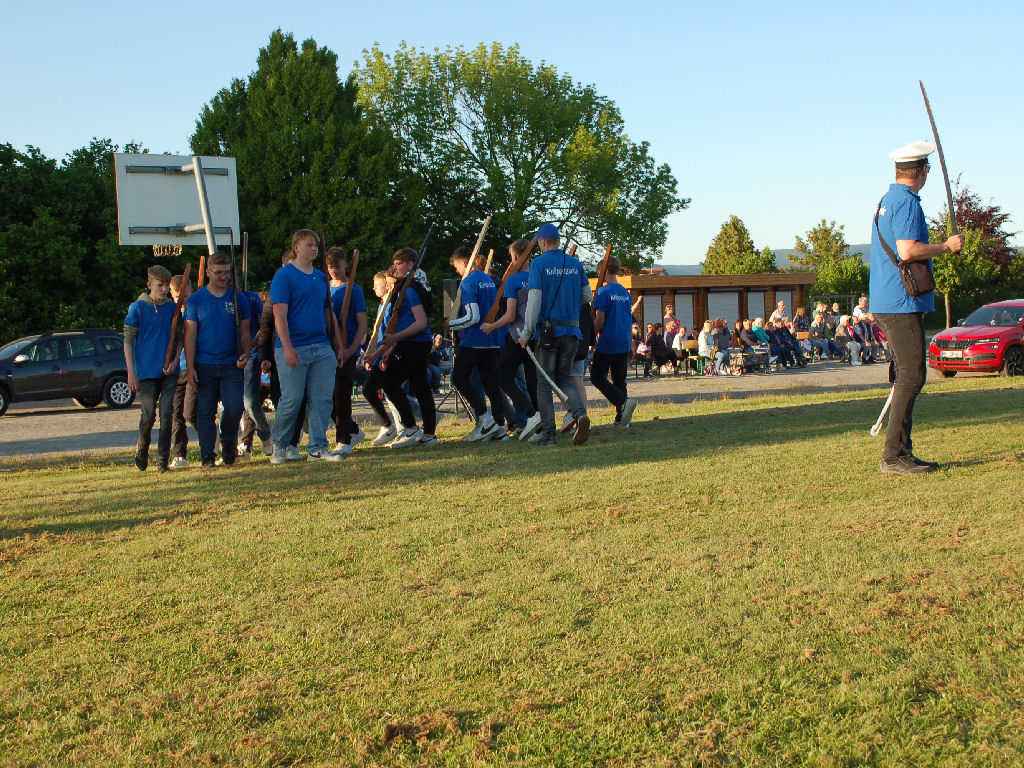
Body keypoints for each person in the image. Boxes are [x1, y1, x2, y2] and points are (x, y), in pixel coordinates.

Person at [870, 141, 963, 474]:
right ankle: (893, 457)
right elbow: (907, 250)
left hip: (889, 300)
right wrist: (947, 246)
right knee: (912, 375)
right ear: (923, 171)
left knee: (906, 376)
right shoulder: (907, 202)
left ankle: (903, 452)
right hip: (901, 302)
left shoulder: (888, 199)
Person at [269, 229, 344, 464]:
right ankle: (279, 446)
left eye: (316, 245)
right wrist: (287, 347)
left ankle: (317, 447)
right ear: (296, 247)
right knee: (292, 399)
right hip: (294, 346)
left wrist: (337, 345)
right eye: (309, 245)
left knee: (322, 399)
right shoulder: (284, 276)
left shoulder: (320, 277)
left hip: (321, 346)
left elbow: (328, 313)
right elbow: (279, 315)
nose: (314, 249)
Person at [517, 222, 592, 447]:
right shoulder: (575, 263)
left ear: (541, 241)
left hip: (548, 333)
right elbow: (587, 296)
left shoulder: (538, 264)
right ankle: (580, 414)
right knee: (563, 377)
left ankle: (549, 435)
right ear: (558, 241)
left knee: (543, 383)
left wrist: (527, 332)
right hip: (572, 331)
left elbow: (534, 301)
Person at [184, 252, 252, 468]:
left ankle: (228, 441)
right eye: (218, 273)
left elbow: (246, 331)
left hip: (232, 363)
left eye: (227, 273)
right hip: (204, 364)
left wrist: (246, 353)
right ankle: (207, 455)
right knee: (205, 411)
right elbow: (190, 336)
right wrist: (190, 366)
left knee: (234, 407)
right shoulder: (196, 300)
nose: (223, 277)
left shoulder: (238, 298)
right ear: (208, 272)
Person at [363, 253, 438, 448]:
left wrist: (395, 339)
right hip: (413, 342)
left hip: (413, 343)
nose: (395, 268)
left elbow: (421, 322)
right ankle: (429, 434)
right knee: (420, 387)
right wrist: (381, 352)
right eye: (394, 264)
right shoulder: (409, 288)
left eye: (398, 264)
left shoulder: (410, 290)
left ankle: (411, 428)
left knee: (390, 383)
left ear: (410, 265)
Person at [480, 239, 543, 441]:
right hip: (535, 335)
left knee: (504, 378)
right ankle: (540, 425)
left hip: (517, 336)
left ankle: (531, 414)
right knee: (532, 382)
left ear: (515, 257)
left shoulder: (513, 281)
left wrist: (491, 326)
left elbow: (509, 315)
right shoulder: (538, 277)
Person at [124, 264, 180, 473]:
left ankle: (162, 461)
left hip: (169, 371)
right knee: (148, 416)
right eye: (159, 286)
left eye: (166, 285)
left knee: (166, 414)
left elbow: (179, 338)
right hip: (147, 370)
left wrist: (175, 361)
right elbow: (128, 341)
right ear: (149, 285)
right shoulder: (137, 308)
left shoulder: (173, 308)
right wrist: (131, 371)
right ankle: (142, 449)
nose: (164, 289)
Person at [448, 246, 506, 441]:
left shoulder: (468, 282)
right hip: (492, 339)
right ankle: (500, 427)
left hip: (475, 340)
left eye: (457, 266)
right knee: (491, 384)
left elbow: (473, 316)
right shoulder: (488, 279)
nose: (457, 271)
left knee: (459, 378)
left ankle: (485, 419)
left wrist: (452, 324)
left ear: (465, 263)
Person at [327, 247, 368, 456]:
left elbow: (362, 323)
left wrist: (351, 349)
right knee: (327, 398)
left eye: (338, 266)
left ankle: (343, 440)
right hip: (328, 349)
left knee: (341, 394)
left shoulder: (354, 290)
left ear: (345, 264)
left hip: (348, 350)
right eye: (330, 267)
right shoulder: (325, 288)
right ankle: (353, 430)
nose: (335, 271)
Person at [591, 256, 638, 427]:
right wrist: (630, 343)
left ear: (603, 271)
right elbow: (628, 320)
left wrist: (591, 335)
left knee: (597, 377)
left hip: (608, 341)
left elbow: (600, 319)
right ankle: (622, 419)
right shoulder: (625, 293)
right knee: (619, 380)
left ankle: (622, 401)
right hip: (623, 341)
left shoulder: (602, 292)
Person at [237, 278, 273, 458]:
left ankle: (265, 435)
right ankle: (235, 448)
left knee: (250, 402)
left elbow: (263, 327)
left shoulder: (251, 298)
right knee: (229, 407)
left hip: (251, 356)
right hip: (228, 359)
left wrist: (250, 348)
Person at [168, 273, 194, 469]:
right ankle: (180, 454)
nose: (182, 300)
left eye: (185, 296)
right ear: (172, 294)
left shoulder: (196, 310)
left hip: (194, 367)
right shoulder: (172, 314)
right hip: (177, 369)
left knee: (192, 413)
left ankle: (211, 446)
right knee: (176, 413)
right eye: (178, 297)